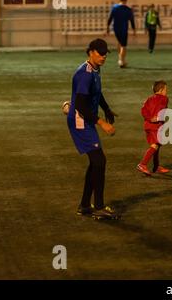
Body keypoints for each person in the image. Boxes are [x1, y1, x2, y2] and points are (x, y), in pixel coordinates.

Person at [67, 38, 119, 220]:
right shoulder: (85, 73)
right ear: (91, 52)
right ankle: (98, 206)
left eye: (106, 53)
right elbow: (81, 104)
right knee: (99, 161)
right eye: (100, 53)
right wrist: (102, 123)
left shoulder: (95, 69)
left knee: (96, 162)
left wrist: (106, 109)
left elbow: (96, 92)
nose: (104, 56)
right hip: (80, 121)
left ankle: (84, 205)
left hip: (86, 120)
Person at [137, 80, 170, 176]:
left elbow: (143, 111)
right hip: (156, 127)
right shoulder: (164, 99)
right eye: (165, 90)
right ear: (161, 90)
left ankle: (156, 166)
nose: (166, 92)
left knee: (157, 146)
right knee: (155, 145)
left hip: (148, 125)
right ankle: (142, 164)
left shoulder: (148, 99)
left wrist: (150, 119)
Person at [106, 0, 136, 68]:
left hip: (116, 28)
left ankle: (120, 58)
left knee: (120, 42)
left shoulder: (114, 8)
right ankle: (121, 61)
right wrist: (134, 30)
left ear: (119, 0)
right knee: (123, 45)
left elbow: (110, 18)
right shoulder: (128, 9)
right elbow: (132, 20)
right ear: (126, 0)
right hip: (123, 29)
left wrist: (107, 28)